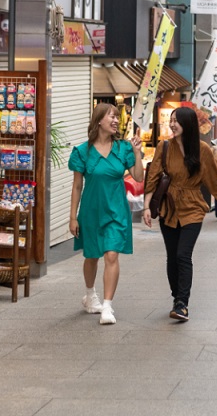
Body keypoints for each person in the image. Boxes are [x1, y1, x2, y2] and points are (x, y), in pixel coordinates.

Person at [143, 107, 217, 321]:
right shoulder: (164, 147)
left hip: (193, 207)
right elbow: (153, 177)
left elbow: (216, 179)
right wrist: (146, 207)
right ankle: (176, 297)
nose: (172, 124)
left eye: (176, 121)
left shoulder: (203, 150)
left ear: (188, 124)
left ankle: (182, 303)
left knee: (183, 255)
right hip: (169, 207)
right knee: (172, 257)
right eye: (171, 120)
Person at [68, 103, 143, 325]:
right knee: (92, 255)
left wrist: (137, 153)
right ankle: (90, 295)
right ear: (99, 120)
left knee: (111, 255)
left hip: (116, 211)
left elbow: (138, 177)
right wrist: (72, 217)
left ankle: (108, 306)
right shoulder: (82, 152)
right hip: (91, 211)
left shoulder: (123, 148)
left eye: (117, 117)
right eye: (112, 116)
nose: (116, 121)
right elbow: (77, 186)